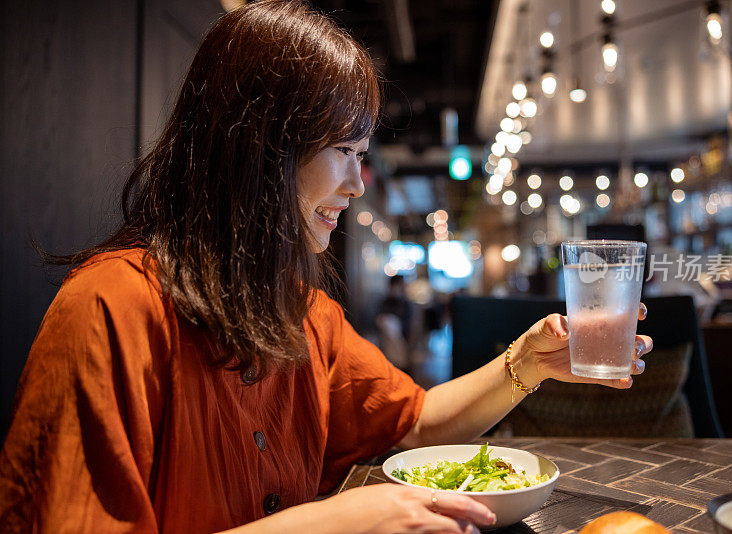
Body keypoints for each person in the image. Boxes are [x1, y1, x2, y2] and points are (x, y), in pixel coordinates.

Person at [0, 2, 653, 533]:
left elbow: (415, 421)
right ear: (260, 146)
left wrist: (528, 362)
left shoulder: (300, 316)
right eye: (345, 150)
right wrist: (332, 521)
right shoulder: (107, 310)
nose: (357, 184)